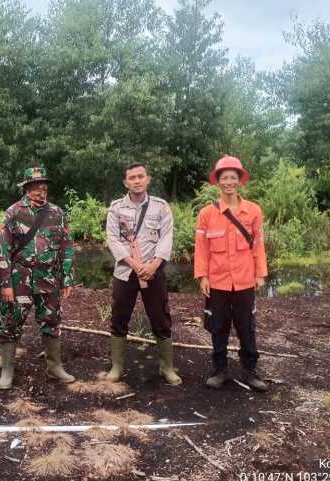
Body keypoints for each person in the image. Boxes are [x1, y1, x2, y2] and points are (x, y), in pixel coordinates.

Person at [0, 164, 75, 390]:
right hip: (20, 279)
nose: (41, 192)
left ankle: (54, 367)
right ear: (26, 188)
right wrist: (5, 284)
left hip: (48, 279)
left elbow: (66, 247)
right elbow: (2, 250)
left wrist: (67, 277)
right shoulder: (14, 212)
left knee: (51, 322)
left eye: (44, 188)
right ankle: (7, 370)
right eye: (35, 188)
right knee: (10, 323)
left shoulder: (57, 213)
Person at [194, 155, 268, 391]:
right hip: (217, 281)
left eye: (232, 178)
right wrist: (203, 276)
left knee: (246, 326)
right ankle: (220, 370)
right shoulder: (207, 214)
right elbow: (202, 249)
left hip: (245, 280)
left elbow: (258, 245)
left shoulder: (253, 211)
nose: (228, 182)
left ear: (239, 181)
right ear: (217, 182)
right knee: (218, 326)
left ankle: (250, 370)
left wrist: (260, 274)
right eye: (224, 178)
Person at [105, 162, 181, 385]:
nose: (137, 181)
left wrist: (154, 265)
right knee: (119, 316)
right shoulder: (116, 208)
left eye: (140, 176)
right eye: (132, 178)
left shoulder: (161, 207)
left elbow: (166, 237)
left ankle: (166, 367)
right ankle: (117, 366)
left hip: (153, 271)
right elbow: (113, 239)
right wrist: (133, 264)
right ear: (125, 182)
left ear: (148, 179)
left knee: (160, 317)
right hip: (125, 272)